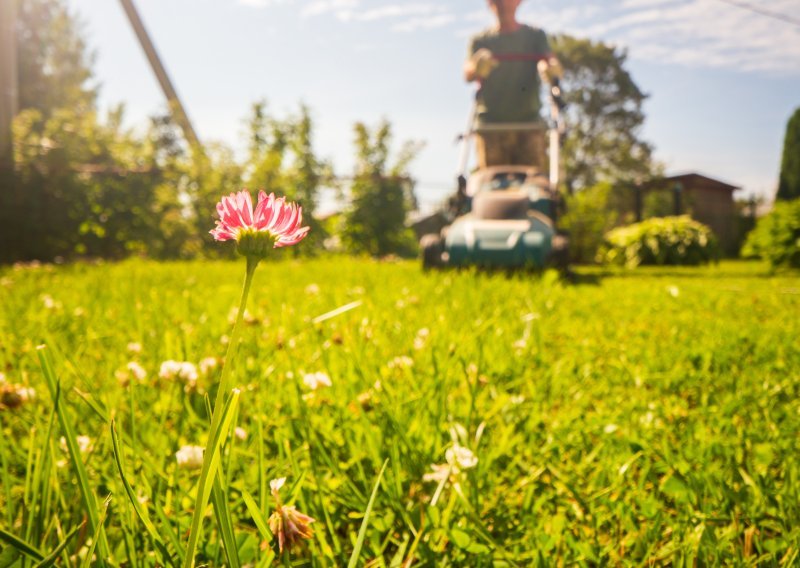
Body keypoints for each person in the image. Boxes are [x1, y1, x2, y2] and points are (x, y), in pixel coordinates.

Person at [464, 0, 562, 171]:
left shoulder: (535, 35)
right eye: (497, 1)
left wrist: (551, 68)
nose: (503, 4)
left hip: (529, 125)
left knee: (533, 184)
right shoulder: (481, 40)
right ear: (490, 4)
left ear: (518, 2)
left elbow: (549, 60)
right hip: (491, 127)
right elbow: (468, 73)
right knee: (492, 184)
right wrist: (476, 66)